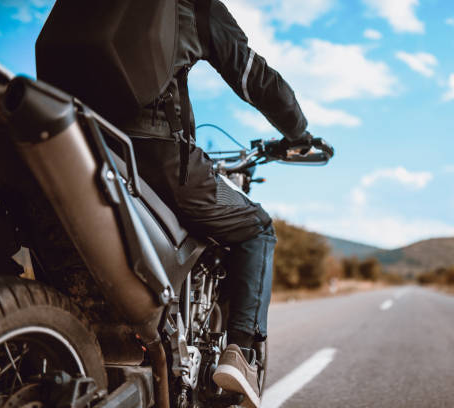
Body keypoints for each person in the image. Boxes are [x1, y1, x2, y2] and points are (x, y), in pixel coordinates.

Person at [115, 1, 311, 406]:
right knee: (258, 227)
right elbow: (252, 75)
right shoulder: (190, 5)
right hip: (157, 156)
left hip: (80, 142)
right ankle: (241, 352)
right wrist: (298, 133)